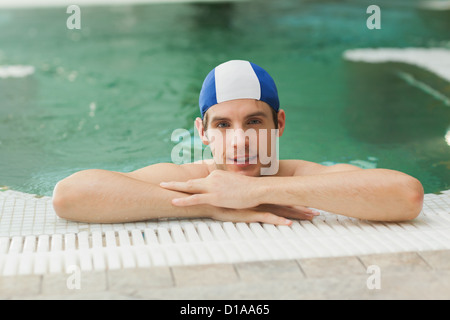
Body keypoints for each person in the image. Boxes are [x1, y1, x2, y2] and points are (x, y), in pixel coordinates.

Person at [52, 60, 424, 225]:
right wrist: (213, 205)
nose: (240, 139)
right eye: (223, 125)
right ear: (202, 132)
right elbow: (70, 195)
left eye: (254, 121)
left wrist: (258, 192)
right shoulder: (188, 177)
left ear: (278, 124)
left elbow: (405, 195)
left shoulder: (301, 174)